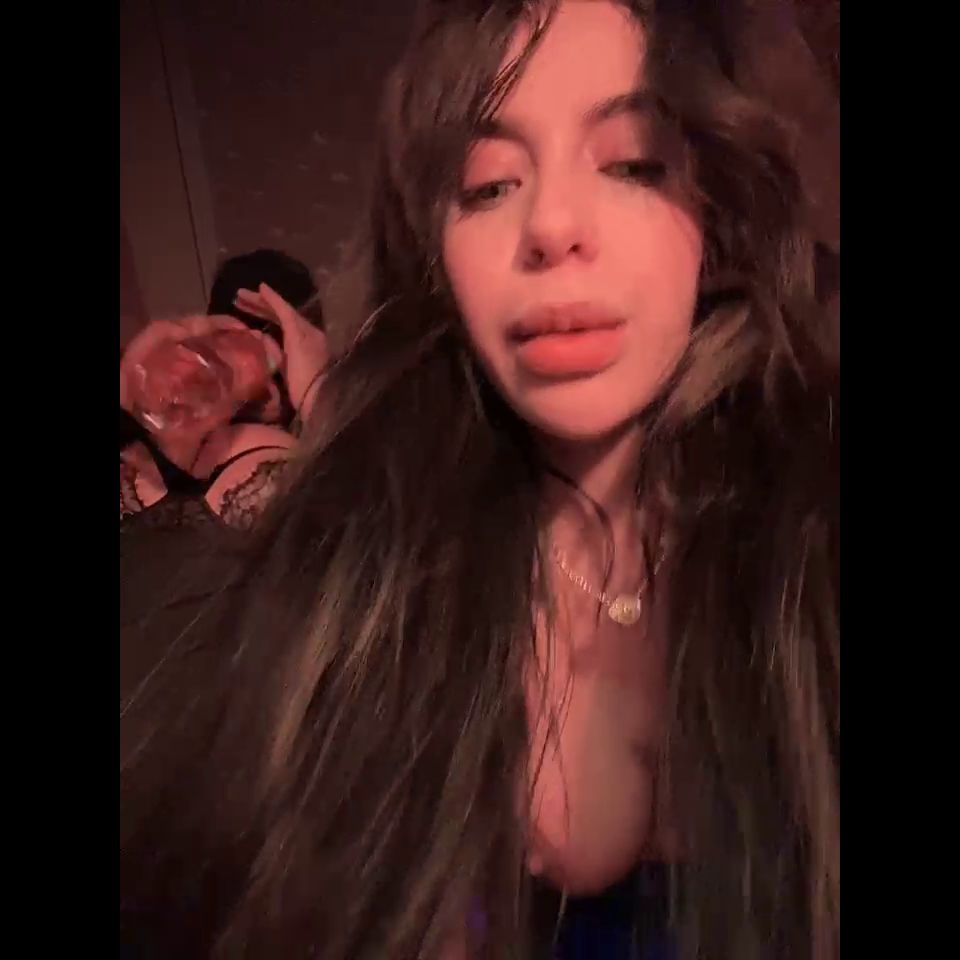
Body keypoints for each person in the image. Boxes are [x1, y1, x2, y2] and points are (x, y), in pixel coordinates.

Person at [120, 2, 839, 958]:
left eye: (632, 164)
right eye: (488, 184)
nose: (551, 225)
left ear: (717, 206)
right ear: (436, 254)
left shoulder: (809, 516)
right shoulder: (362, 560)